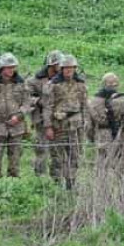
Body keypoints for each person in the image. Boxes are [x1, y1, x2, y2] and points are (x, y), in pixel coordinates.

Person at [43, 54, 87, 190]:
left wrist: (85, 123)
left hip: (76, 126)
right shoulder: (53, 85)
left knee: (75, 156)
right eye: (66, 68)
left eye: (71, 68)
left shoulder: (80, 84)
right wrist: (48, 127)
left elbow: (84, 105)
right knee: (57, 157)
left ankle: (71, 184)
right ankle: (56, 186)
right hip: (58, 125)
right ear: (61, 69)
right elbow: (47, 107)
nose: (69, 70)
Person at [26, 50, 63, 176]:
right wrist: (39, 101)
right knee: (41, 149)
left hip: (59, 119)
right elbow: (26, 98)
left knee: (57, 151)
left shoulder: (63, 80)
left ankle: (56, 178)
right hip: (41, 119)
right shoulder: (34, 81)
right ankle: (39, 177)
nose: (60, 67)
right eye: (58, 64)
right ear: (51, 65)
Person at [88, 73, 124, 172]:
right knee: (120, 163)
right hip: (118, 134)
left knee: (102, 164)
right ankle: (121, 181)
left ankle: (101, 181)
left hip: (101, 135)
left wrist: (93, 137)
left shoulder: (93, 101)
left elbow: (89, 124)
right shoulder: (123, 100)